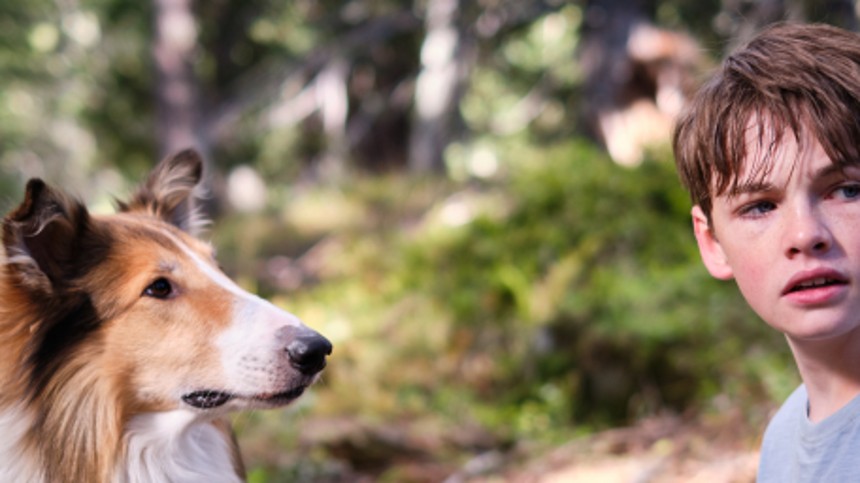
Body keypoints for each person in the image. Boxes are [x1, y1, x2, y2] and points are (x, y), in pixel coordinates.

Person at [673, 22, 860, 481]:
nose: (805, 234)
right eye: (759, 207)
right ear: (712, 243)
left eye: (847, 190)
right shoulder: (781, 443)